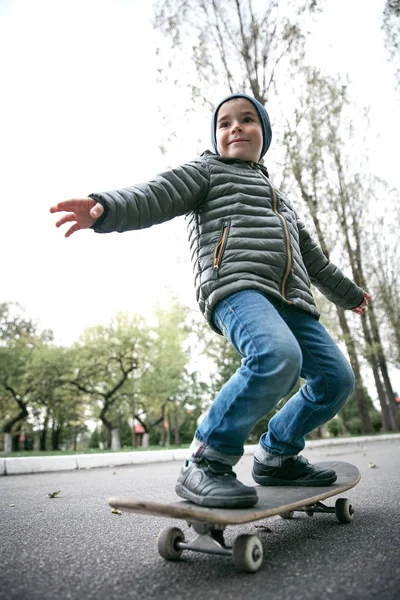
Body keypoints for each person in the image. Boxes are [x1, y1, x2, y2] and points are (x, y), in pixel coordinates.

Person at [50, 93, 370, 509]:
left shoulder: (283, 204)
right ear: (216, 137)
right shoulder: (208, 171)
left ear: (264, 134)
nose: (234, 127)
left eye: (247, 120)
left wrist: (350, 294)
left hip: (292, 302)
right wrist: (105, 208)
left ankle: (277, 455)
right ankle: (206, 461)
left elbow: (316, 262)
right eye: (224, 123)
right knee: (276, 354)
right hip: (237, 287)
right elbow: (156, 193)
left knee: (336, 379)